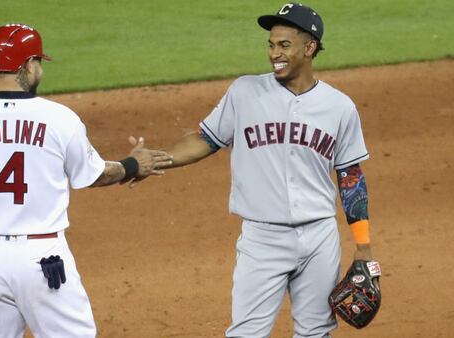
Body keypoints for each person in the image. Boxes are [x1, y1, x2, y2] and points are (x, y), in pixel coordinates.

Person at [0, 23, 171, 338]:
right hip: (42, 259)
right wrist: (131, 165)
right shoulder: (60, 119)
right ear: (26, 66)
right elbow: (95, 174)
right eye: (38, 63)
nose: (39, 71)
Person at [147, 3, 379, 337]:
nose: (274, 53)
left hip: (319, 238)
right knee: (246, 333)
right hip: (263, 238)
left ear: (309, 47)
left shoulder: (340, 107)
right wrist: (159, 159)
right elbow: (205, 139)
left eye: (284, 45)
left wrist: (364, 246)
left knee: (316, 332)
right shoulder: (245, 92)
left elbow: (351, 177)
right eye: (271, 45)